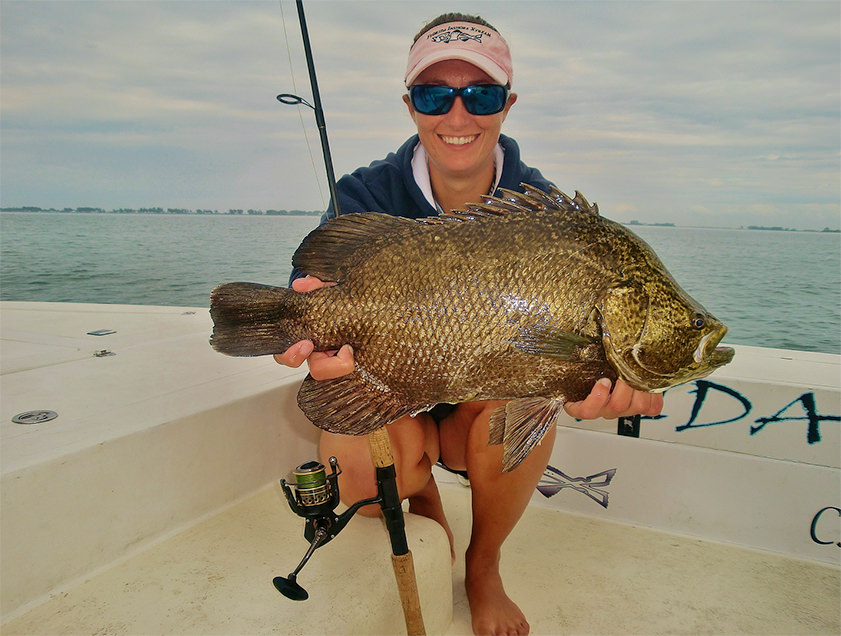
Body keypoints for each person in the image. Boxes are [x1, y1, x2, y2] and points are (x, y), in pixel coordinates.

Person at [276, 13, 663, 636]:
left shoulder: (547, 214)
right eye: (435, 94)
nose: (458, 117)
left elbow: (552, 354)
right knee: (358, 475)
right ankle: (420, 492)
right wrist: (304, 343)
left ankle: (484, 566)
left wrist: (586, 383)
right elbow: (311, 300)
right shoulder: (363, 193)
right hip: (391, 393)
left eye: (479, 94)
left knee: (528, 410)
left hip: (474, 414)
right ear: (410, 105)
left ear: (506, 105)